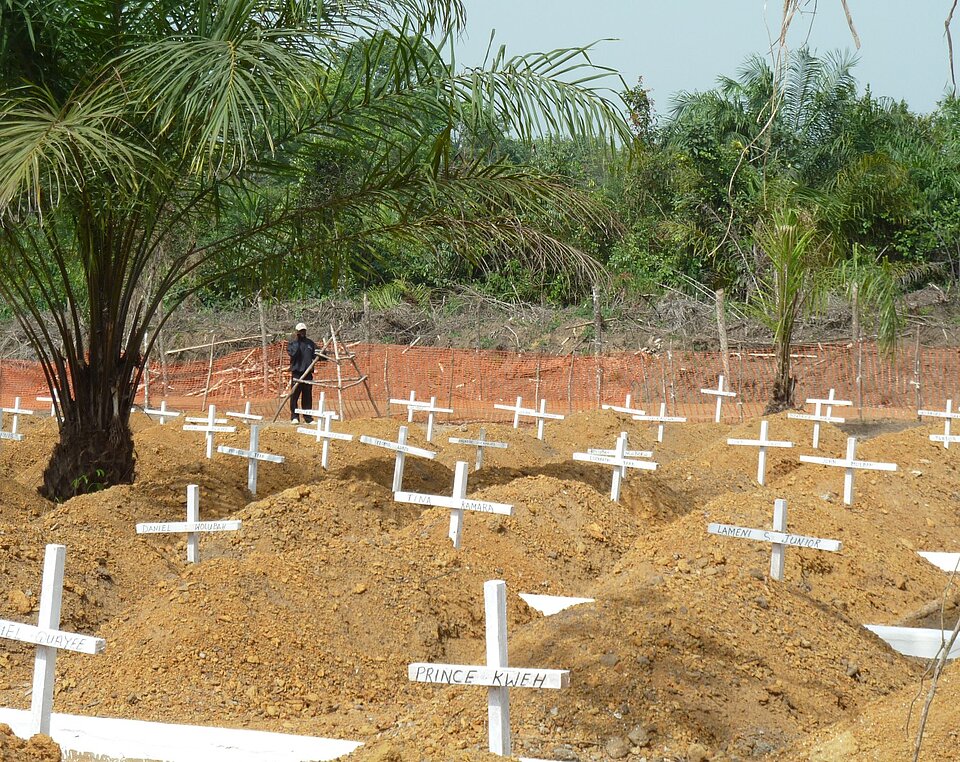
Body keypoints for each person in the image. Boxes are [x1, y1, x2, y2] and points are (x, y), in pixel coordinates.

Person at [288, 322, 317, 423]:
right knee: (294, 395)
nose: (302, 333)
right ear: (297, 332)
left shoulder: (310, 343)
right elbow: (293, 353)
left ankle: (308, 418)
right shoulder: (293, 344)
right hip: (297, 373)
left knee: (307, 396)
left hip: (308, 373)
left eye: (304, 331)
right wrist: (297, 341)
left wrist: (323, 354)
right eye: (300, 331)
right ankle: (294, 417)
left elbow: (317, 354)